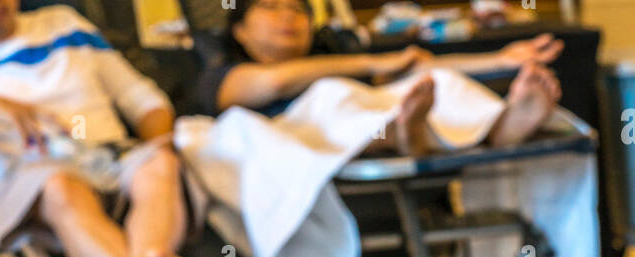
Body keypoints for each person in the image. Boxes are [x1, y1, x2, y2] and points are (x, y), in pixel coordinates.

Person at [0, 0, 207, 257]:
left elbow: (142, 98)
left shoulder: (65, 24)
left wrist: (161, 144)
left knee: (159, 163)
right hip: (26, 176)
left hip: (110, 159)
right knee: (59, 185)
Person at [195, 0, 563, 155]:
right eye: (270, 6)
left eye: (297, 8)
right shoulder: (220, 75)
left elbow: (415, 70)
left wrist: (499, 59)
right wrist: (370, 64)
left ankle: (501, 122)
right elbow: (275, 82)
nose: (288, 17)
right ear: (239, 30)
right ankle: (408, 132)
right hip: (316, 131)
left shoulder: (340, 58)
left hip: (371, 112)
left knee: (438, 84)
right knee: (337, 100)